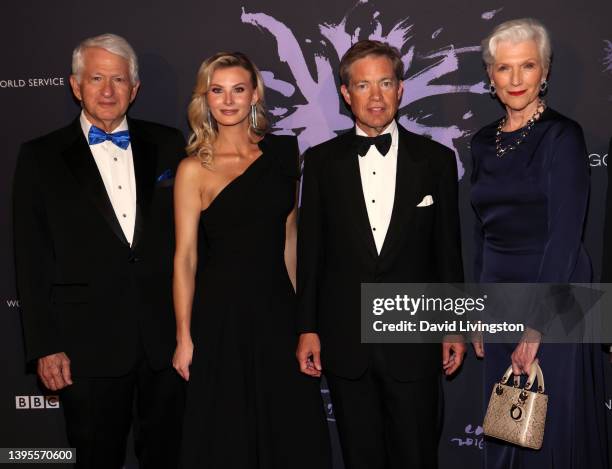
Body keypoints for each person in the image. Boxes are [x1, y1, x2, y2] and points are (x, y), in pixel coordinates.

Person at [13, 34, 186, 468]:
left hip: (165, 342)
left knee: (168, 456)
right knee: (95, 458)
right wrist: (44, 345)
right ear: (75, 85)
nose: (108, 91)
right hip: (85, 345)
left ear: (135, 89)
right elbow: (30, 258)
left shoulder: (169, 144)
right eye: (96, 78)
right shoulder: (40, 157)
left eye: (118, 79)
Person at [296, 40, 466, 469]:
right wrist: (308, 328)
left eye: (385, 83)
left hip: (415, 341)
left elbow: (448, 249)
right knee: (360, 457)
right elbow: (311, 253)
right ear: (345, 93)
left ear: (401, 89)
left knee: (417, 455)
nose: (375, 97)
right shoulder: (319, 162)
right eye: (363, 85)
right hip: (345, 340)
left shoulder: (437, 161)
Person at [172, 51, 331, 469]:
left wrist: (304, 322)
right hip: (220, 317)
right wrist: (184, 337)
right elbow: (185, 258)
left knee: (289, 428)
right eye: (217, 91)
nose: (228, 101)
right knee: (226, 432)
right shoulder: (193, 169)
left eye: (238, 89)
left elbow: (290, 239)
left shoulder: (282, 157)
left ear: (255, 94)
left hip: (277, 313)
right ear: (204, 99)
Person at [470, 18, 609, 468]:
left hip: (558, 295)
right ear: (490, 75)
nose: (515, 80)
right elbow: (481, 232)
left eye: (527, 66)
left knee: (547, 430)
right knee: (507, 427)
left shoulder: (562, 136)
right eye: (504, 68)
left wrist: (537, 326)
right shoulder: (481, 143)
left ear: (544, 71)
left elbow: (565, 237)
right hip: (499, 294)